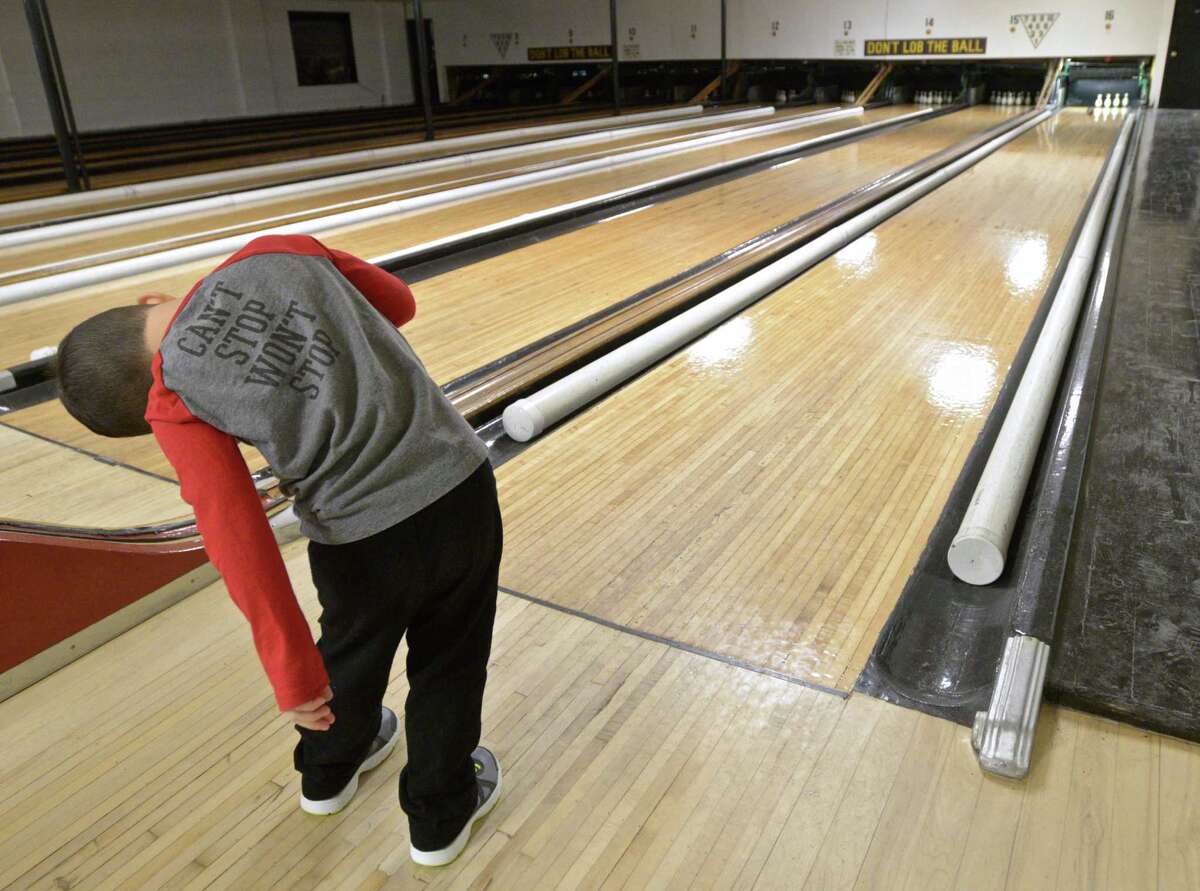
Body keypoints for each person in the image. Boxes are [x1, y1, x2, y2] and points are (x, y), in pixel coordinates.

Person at [54, 234, 502, 867]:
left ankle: (327, 777)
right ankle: (439, 816)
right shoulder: (272, 252)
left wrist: (290, 670)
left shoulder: (173, 400)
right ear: (149, 298)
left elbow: (237, 535)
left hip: (355, 540)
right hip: (455, 488)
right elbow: (397, 303)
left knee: (347, 655)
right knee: (451, 658)